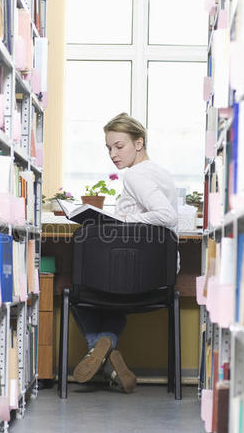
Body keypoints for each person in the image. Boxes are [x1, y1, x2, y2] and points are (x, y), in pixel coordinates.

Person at [72, 112, 178, 393]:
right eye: (108, 148)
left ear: (139, 143)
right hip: (157, 278)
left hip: (134, 274)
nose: (113, 154)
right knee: (114, 298)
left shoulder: (135, 175)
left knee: (80, 290)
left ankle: (100, 347)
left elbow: (166, 216)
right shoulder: (160, 173)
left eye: (119, 146)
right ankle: (107, 354)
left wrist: (126, 221)